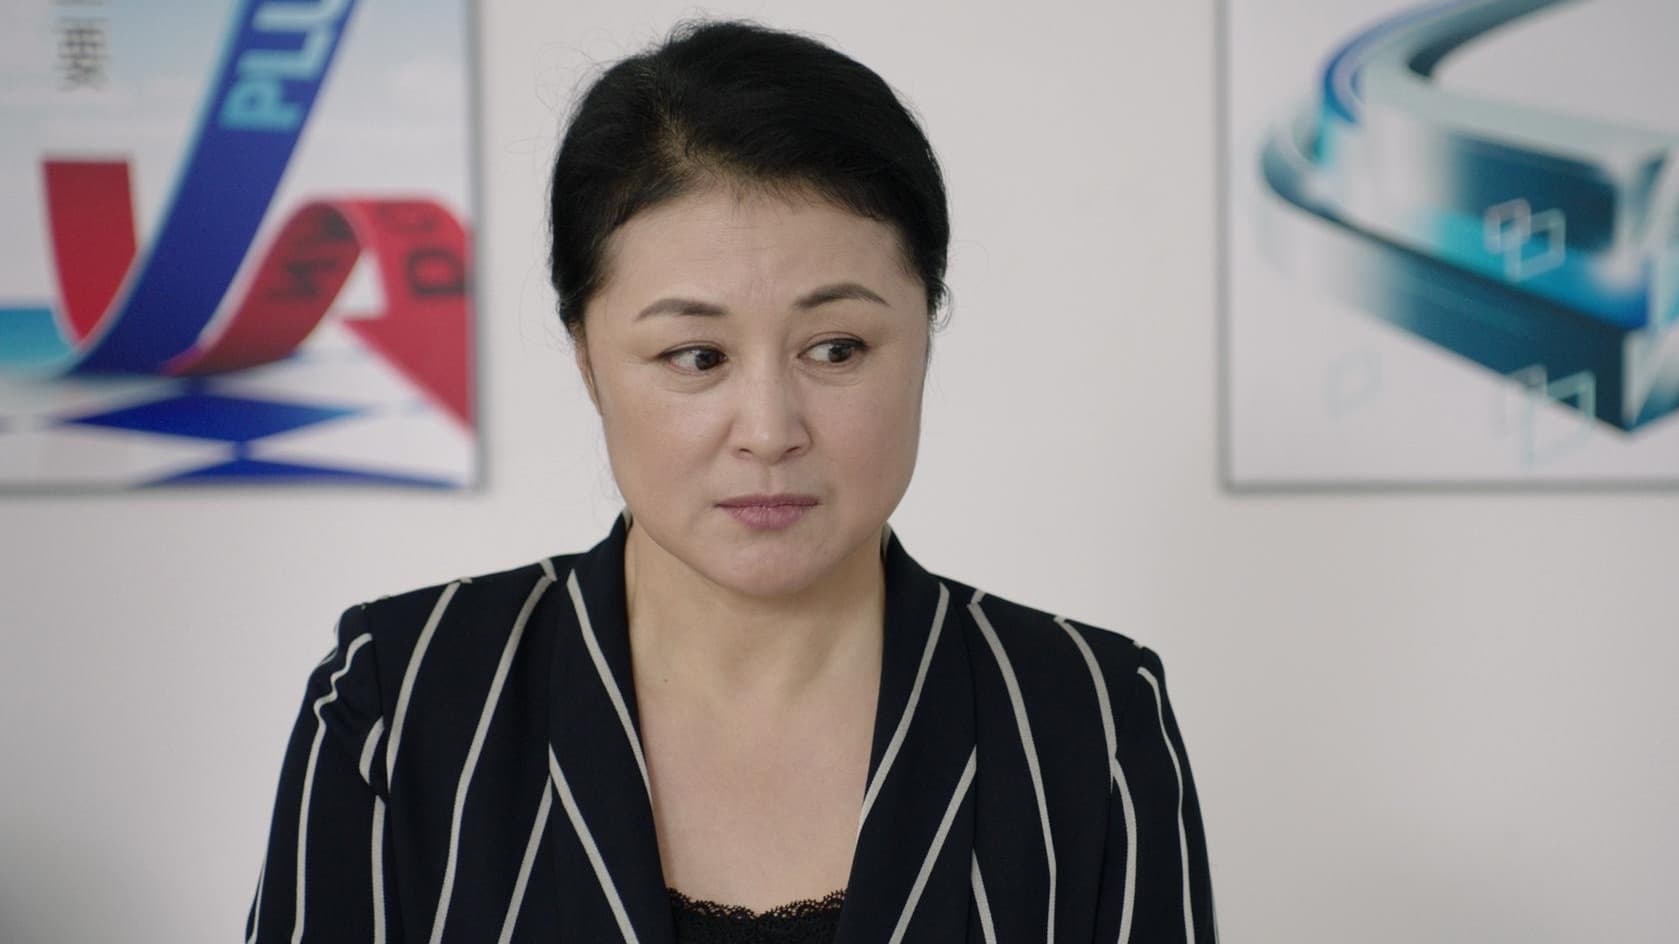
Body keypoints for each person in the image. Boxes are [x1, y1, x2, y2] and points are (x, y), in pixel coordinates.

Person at [246, 17, 1217, 944]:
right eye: (696, 356)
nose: (768, 431)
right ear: (587, 359)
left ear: (924, 335)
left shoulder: (1088, 717)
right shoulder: (402, 699)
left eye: (835, 348)